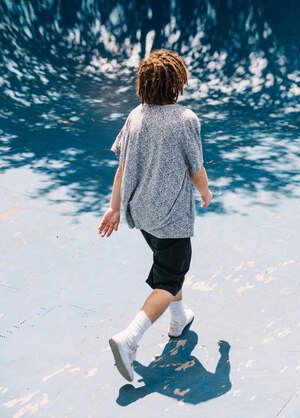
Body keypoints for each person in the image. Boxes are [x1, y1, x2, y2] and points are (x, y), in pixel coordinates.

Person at [98, 49, 212, 382]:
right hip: (171, 218)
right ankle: (129, 338)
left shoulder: (135, 116)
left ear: (143, 85)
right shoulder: (185, 120)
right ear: (178, 83)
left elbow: (122, 167)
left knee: (169, 267)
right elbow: (197, 168)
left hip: (141, 213)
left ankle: (178, 319)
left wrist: (114, 207)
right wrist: (205, 193)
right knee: (169, 278)